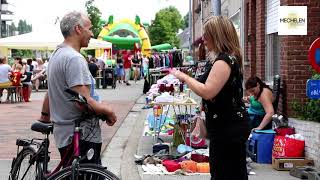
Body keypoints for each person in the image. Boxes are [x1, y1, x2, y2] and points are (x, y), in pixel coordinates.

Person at [170, 16, 249, 180]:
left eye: (207, 35)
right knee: (231, 173)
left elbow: (208, 91)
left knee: (225, 174)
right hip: (227, 127)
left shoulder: (224, 61)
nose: (203, 40)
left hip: (227, 129)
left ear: (217, 36)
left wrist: (184, 77)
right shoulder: (227, 58)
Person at [38, 11, 117, 167]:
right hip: (79, 134)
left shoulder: (57, 54)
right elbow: (82, 102)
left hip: (64, 133)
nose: (92, 33)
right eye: (89, 28)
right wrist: (107, 111)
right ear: (78, 29)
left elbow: (52, 89)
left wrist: (44, 116)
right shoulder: (74, 58)